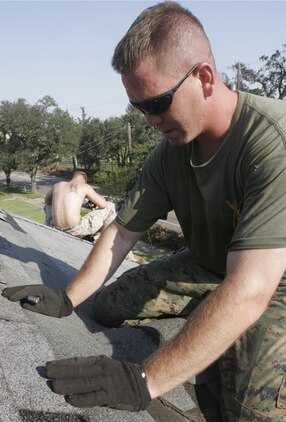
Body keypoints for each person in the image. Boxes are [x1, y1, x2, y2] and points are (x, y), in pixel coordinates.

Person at [2, 2, 286, 420]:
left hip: (272, 282)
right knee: (106, 306)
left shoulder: (271, 143)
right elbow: (120, 234)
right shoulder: (170, 151)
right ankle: (211, 315)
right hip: (212, 267)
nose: (150, 119)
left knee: (249, 410)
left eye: (156, 103)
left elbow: (252, 287)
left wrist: (144, 380)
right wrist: (67, 298)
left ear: (204, 78)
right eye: (139, 108)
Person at [43, 170, 116, 239]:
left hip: (55, 226)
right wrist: (88, 196)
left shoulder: (58, 185)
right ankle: (102, 239)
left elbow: (47, 201)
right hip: (75, 229)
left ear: (73, 177)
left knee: (48, 206)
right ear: (85, 180)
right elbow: (103, 204)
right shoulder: (84, 186)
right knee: (110, 206)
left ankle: (48, 227)